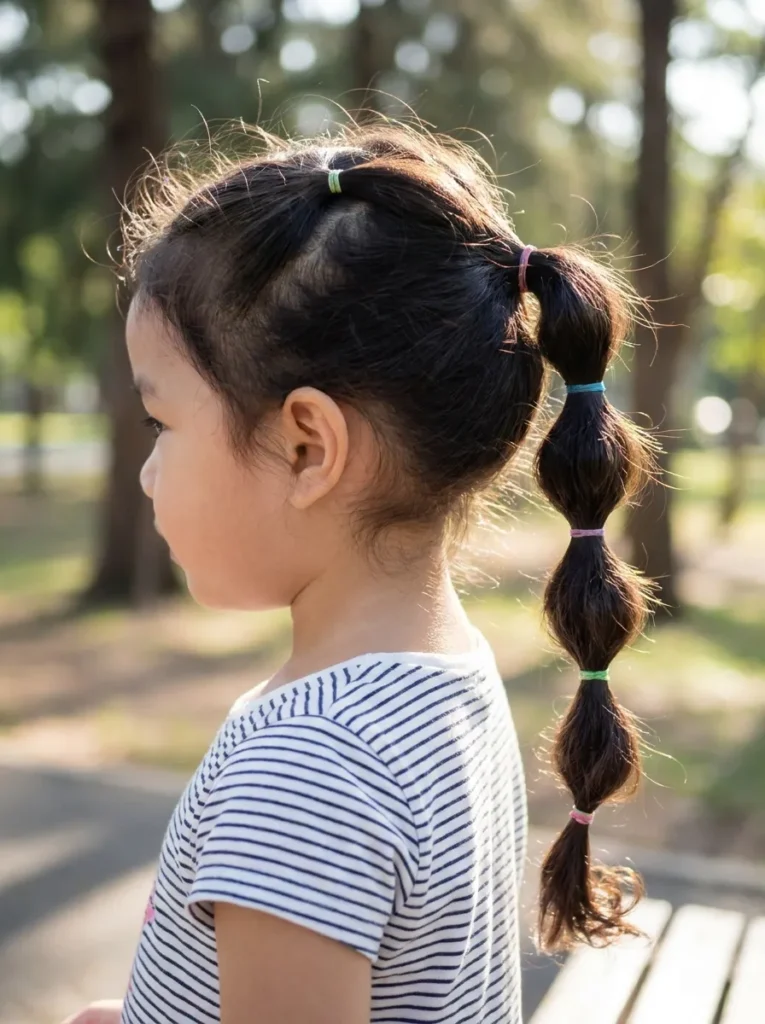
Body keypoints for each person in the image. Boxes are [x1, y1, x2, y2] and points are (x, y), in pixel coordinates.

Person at [63, 121, 656, 1024]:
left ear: (307, 447)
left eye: (161, 426)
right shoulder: (438, 680)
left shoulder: (307, 766)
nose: (147, 472)